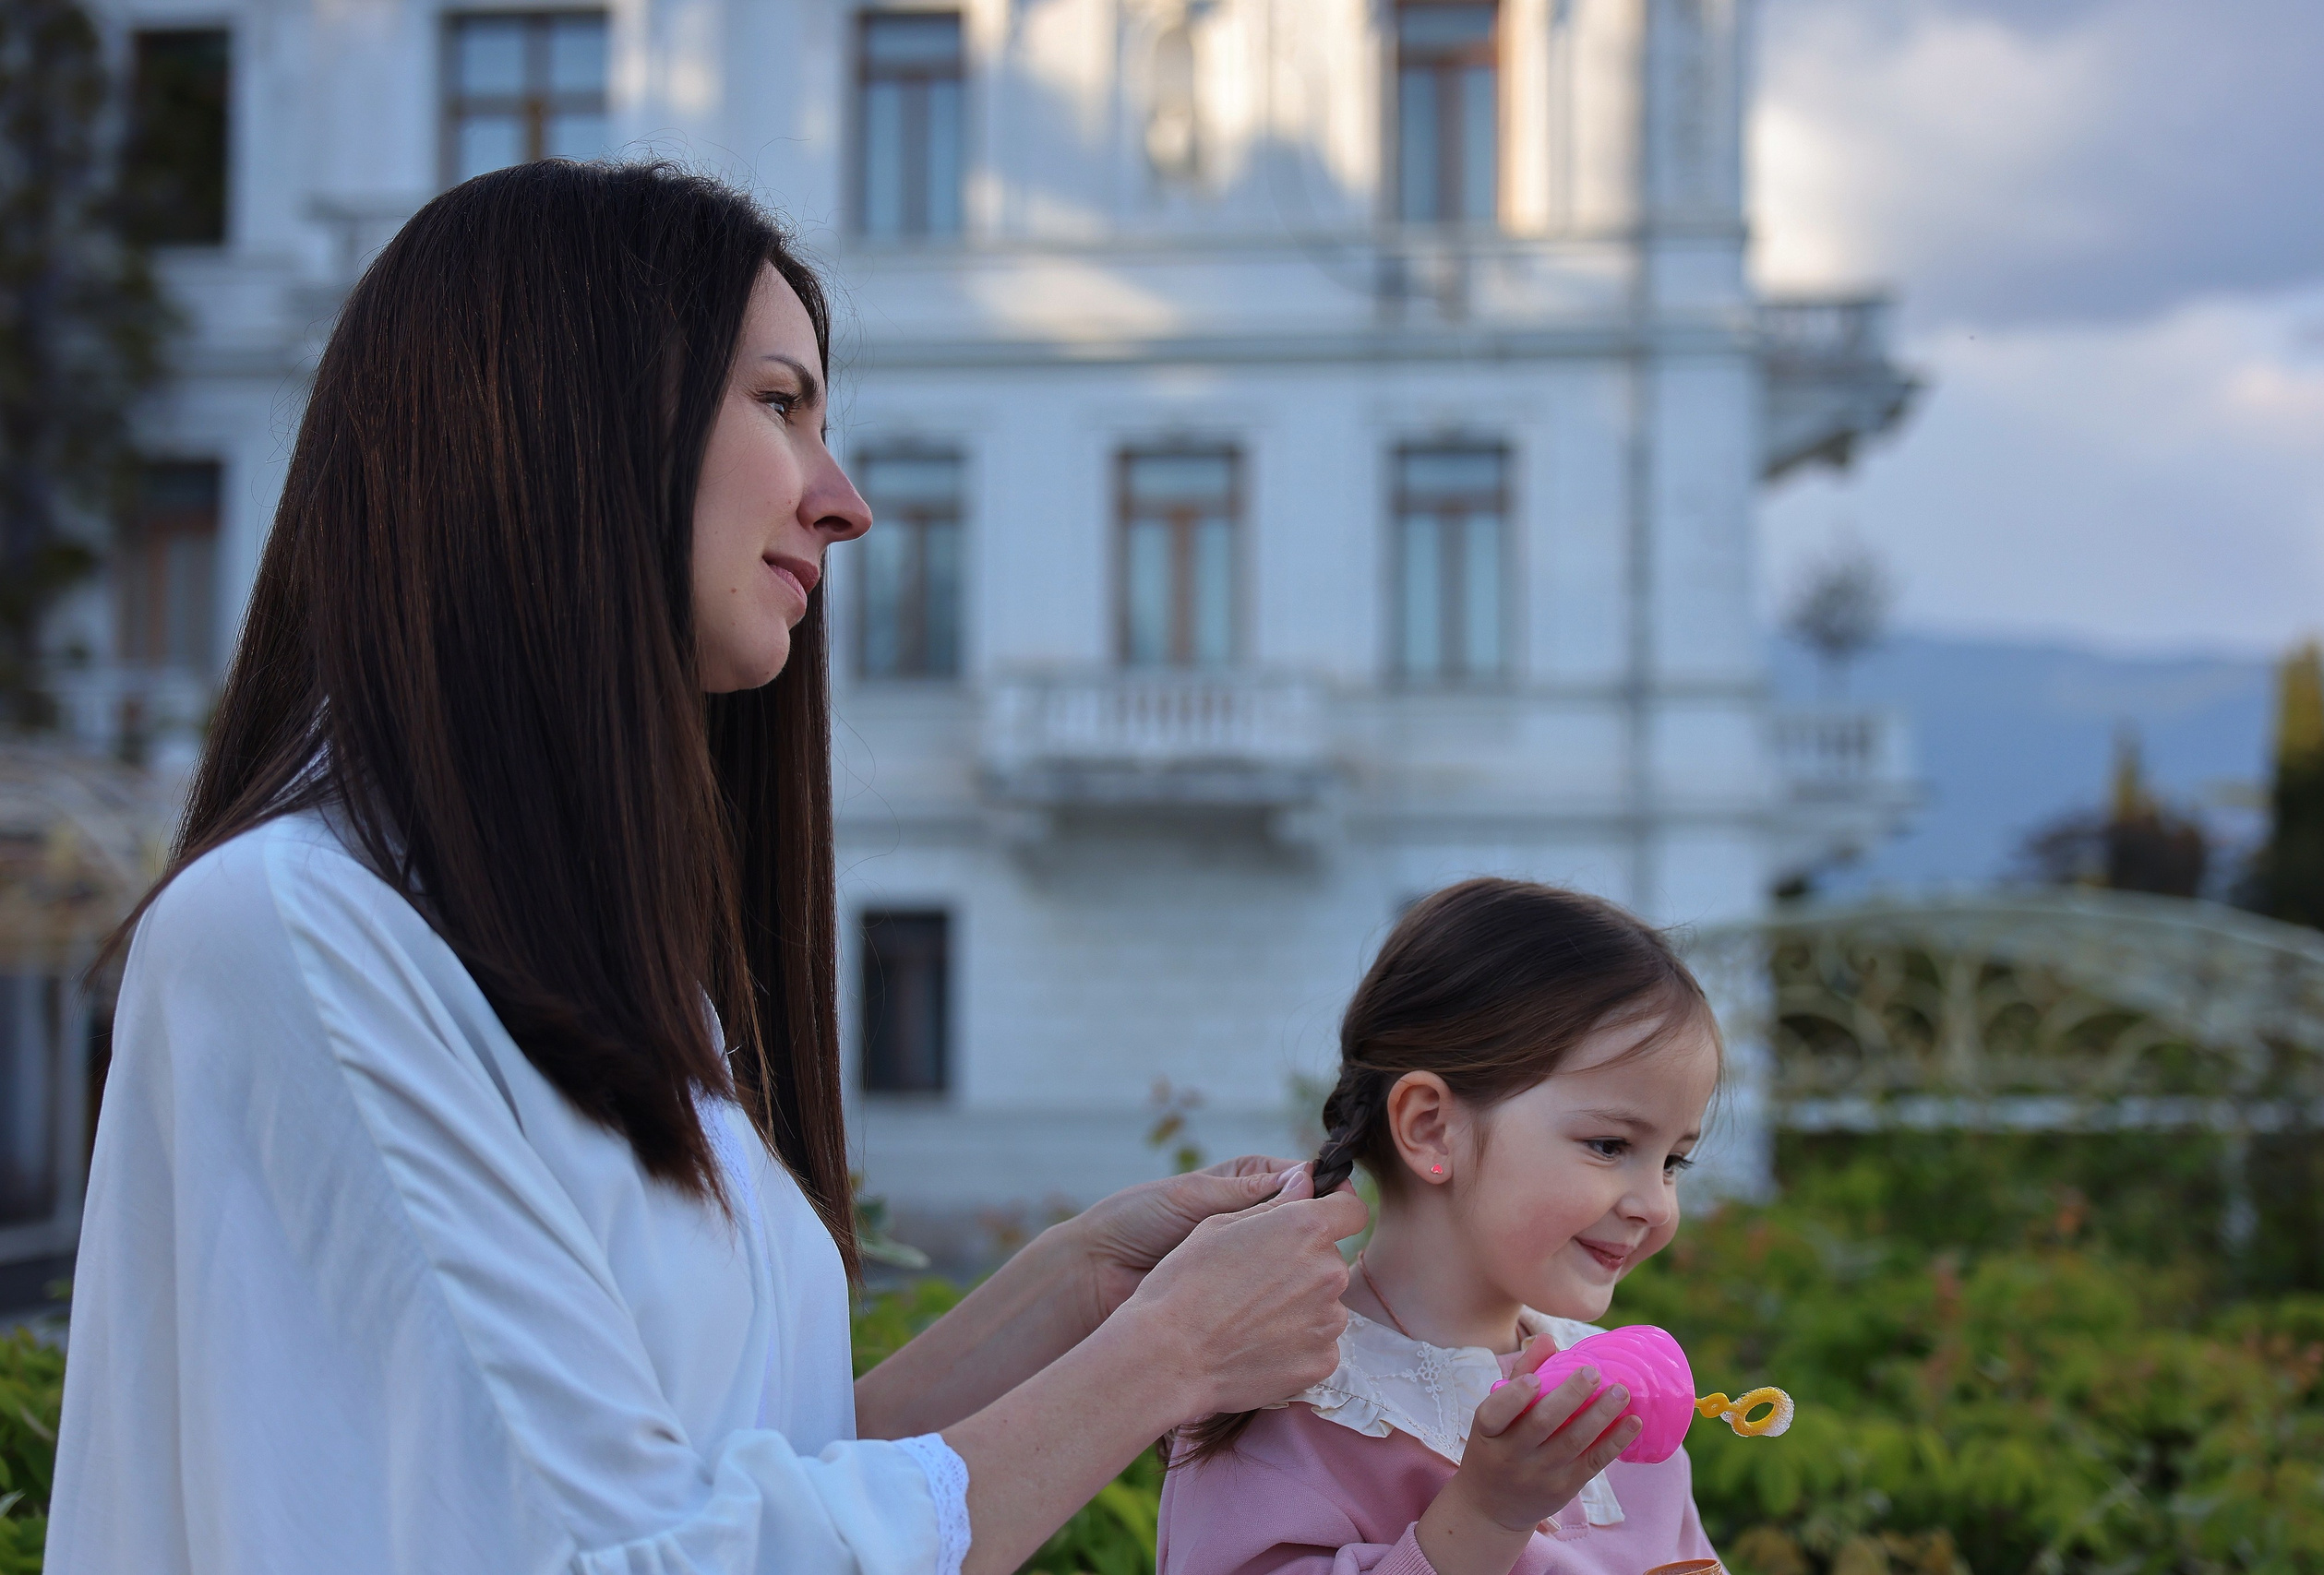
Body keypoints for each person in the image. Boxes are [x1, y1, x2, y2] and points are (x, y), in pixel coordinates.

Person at [48, 161, 1366, 1575]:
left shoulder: (578, 962)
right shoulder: (301, 930)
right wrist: (1168, 1359)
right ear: (569, 417)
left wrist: (1080, 1290)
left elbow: (747, 1483)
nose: (846, 503)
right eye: (783, 405)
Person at [1156, 878, 1727, 1575]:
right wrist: (1486, 1516)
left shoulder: (1611, 1394)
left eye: (1673, 1161)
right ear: (1431, 1128)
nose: (1655, 1204)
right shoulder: (1285, 1395)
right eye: (1610, 1145)